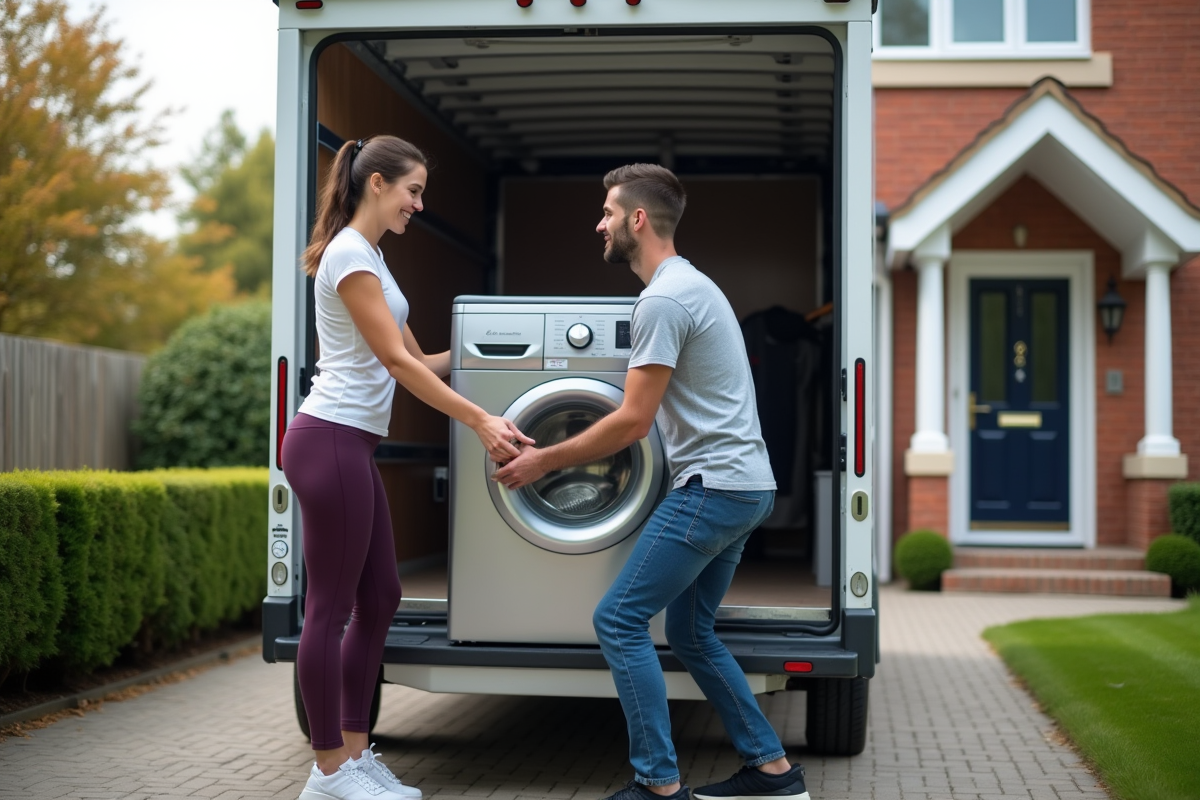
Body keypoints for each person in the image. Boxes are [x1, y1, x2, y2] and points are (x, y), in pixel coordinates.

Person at [493, 164, 809, 800]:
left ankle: (658, 784)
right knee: (690, 633)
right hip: (746, 486)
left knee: (617, 620)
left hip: (713, 488)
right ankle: (773, 771)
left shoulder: (663, 300)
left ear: (638, 220)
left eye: (608, 212)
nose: (599, 224)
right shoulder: (692, 286)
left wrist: (542, 461)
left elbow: (633, 422)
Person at [282, 135, 533, 800]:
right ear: (376, 184)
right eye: (412, 191)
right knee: (330, 608)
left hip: (350, 443)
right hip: (329, 437)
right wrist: (478, 420)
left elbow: (419, 361)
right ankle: (329, 770)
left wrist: (503, 349)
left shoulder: (373, 258)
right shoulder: (348, 255)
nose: (419, 204)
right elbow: (394, 364)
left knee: (382, 597)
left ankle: (354, 754)